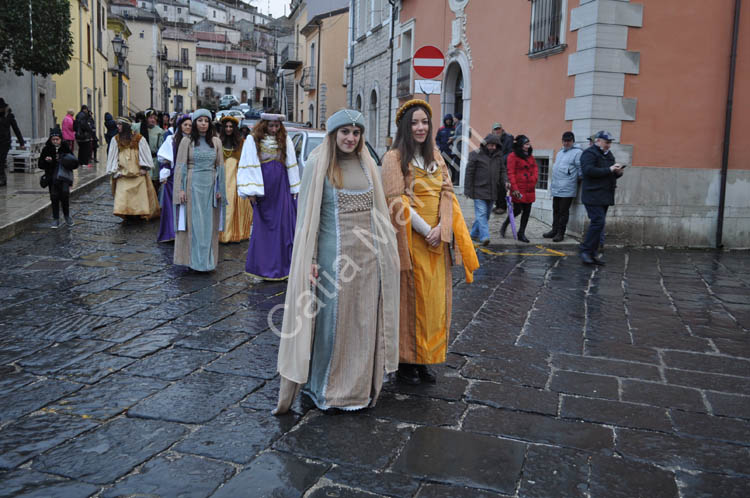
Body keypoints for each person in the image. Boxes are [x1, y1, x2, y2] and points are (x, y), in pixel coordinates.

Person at [273, 108, 400, 415]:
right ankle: (326, 388)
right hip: (333, 260)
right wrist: (312, 259)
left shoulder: (368, 163)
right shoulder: (317, 163)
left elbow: (379, 213)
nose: (350, 138)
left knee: (364, 321)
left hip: (369, 261)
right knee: (332, 326)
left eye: (356, 133)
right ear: (334, 134)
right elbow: (307, 219)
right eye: (345, 132)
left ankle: (358, 390)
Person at [382, 99, 478, 385]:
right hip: (411, 239)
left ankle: (426, 357)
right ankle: (405, 360)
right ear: (404, 126)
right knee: (411, 301)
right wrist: (426, 230)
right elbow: (395, 201)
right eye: (414, 122)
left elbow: (447, 193)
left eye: (424, 122)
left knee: (435, 304)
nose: (420, 127)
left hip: (437, 242)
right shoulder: (393, 158)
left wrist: (443, 229)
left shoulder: (436, 155)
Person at [237, 113, 300, 280]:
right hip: (263, 189)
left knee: (283, 227)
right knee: (263, 228)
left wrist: (295, 188)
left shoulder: (285, 140)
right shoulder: (252, 140)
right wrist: (251, 191)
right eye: (271, 126)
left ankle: (283, 267)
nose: (274, 129)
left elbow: (291, 164)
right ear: (264, 124)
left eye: (276, 126)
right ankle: (263, 267)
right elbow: (247, 163)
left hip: (281, 188)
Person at [173, 109, 226, 272]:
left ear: (209, 123)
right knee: (193, 224)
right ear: (195, 123)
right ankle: (193, 261)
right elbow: (180, 166)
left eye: (206, 120)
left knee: (208, 225)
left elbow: (220, 167)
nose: (203, 123)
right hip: (192, 186)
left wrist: (220, 189)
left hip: (210, 187)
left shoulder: (216, 142)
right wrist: (180, 190)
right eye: (200, 120)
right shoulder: (186, 141)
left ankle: (207, 262)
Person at [579, 130, 624, 265]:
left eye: (610, 143)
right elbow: (588, 171)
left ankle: (592, 253)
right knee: (598, 222)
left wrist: (618, 172)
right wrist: (610, 169)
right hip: (592, 194)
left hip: (604, 195)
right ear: (598, 141)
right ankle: (586, 251)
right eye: (606, 142)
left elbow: (610, 173)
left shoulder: (608, 155)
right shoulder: (589, 153)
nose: (608, 145)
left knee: (599, 225)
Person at [106, 116, 160, 221]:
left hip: (138, 175)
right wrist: (115, 170)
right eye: (117, 124)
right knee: (123, 200)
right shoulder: (115, 139)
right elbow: (112, 156)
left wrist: (145, 168)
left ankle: (138, 215)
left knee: (138, 200)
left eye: (120, 124)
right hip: (123, 175)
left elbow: (145, 154)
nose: (118, 126)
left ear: (126, 126)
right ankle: (127, 215)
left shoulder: (139, 139)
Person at [465, 133, 509, 245]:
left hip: (493, 191)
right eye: (490, 145)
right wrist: (468, 190)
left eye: (495, 145)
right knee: (481, 214)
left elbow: (502, 171)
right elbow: (469, 173)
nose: (492, 147)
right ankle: (485, 237)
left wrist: (505, 181)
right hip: (479, 190)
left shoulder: (498, 157)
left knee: (486, 216)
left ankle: (474, 234)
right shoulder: (475, 155)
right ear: (485, 144)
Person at [156, 114, 192, 243]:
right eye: (185, 125)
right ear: (180, 126)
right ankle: (171, 232)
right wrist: (165, 173)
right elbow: (164, 159)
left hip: (190, 176)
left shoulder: (194, 140)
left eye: (190, 125)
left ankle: (186, 232)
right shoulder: (172, 139)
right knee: (172, 205)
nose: (187, 127)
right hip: (173, 177)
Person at [218, 115, 252, 243]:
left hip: (237, 179)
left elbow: (246, 162)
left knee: (235, 206)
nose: (228, 129)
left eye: (231, 126)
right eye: (226, 126)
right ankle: (222, 234)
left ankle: (236, 233)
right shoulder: (217, 142)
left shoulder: (242, 143)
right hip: (222, 178)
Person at [544, 131, 583, 242]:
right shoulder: (560, 152)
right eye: (564, 141)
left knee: (563, 212)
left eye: (568, 141)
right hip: (557, 187)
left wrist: (574, 181)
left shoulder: (578, 152)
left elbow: (580, 169)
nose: (566, 143)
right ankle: (554, 230)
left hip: (567, 188)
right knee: (555, 210)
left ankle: (561, 233)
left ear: (573, 141)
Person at [501, 135, 538, 243]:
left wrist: (535, 178)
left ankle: (521, 232)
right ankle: (505, 224)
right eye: (526, 144)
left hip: (530, 188)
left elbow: (535, 167)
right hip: (519, 188)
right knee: (517, 210)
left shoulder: (530, 156)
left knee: (527, 211)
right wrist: (515, 188)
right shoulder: (512, 156)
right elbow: (511, 173)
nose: (528, 146)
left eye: (528, 144)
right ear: (521, 145)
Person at [38, 127, 77, 228]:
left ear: (60, 139)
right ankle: (56, 218)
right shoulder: (46, 149)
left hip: (64, 177)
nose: (55, 141)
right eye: (53, 139)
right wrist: (47, 161)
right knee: (54, 197)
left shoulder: (65, 147)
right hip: (52, 178)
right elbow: (40, 164)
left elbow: (74, 162)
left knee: (65, 196)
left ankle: (67, 216)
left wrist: (64, 159)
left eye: (57, 139)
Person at [132, 109, 165, 191]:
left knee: (153, 185)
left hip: (153, 160)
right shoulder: (137, 127)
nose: (153, 120)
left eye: (154, 118)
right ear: (146, 118)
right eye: (150, 118)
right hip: (139, 159)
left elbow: (161, 147)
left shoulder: (159, 131)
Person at [0, 98, 25, 187]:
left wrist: (21, 142)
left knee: (1, 160)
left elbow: (16, 129)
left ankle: (2, 179)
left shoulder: (9, 116)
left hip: (5, 142)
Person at [491, 122, 513, 214]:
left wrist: (500, 159)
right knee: (495, 185)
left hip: (504, 165)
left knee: (501, 186)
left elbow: (510, 152)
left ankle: (502, 207)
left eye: (498, 129)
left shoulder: (508, 137)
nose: (497, 131)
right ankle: (497, 205)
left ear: (501, 129)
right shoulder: (492, 138)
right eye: (495, 129)